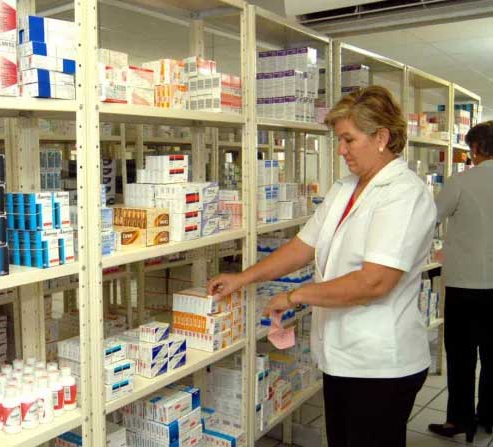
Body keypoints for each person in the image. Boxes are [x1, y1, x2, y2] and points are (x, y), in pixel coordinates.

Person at [208, 85, 436, 447]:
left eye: (349, 139)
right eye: (339, 140)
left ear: (381, 137)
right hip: (341, 356)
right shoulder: (346, 188)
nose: (341, 150)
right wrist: (243, 278)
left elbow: (374, 282)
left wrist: (295, 296)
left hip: (380, 363)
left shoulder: (404, 194)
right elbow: (302, 247)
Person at [429, 121, 493, 440]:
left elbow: (431, 218)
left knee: (461, 357)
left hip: (464, 287)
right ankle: (489, 416)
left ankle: (459, 420)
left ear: (476, 148)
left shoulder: (461, 182)